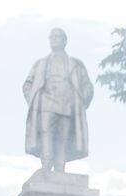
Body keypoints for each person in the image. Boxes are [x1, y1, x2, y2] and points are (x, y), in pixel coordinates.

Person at [22, 28, 94, 174]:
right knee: (46, 133)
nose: (55, 39)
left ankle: (60, 168)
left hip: (67, 105)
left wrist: (80, 103)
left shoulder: (75, 64)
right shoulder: (41, 63)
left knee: (63, 137)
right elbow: (27, 85)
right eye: (52, 37)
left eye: (58, 37)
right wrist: (35, 101)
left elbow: (87, 86)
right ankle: (47, 165)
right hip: (46, 105)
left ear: (65, 40)